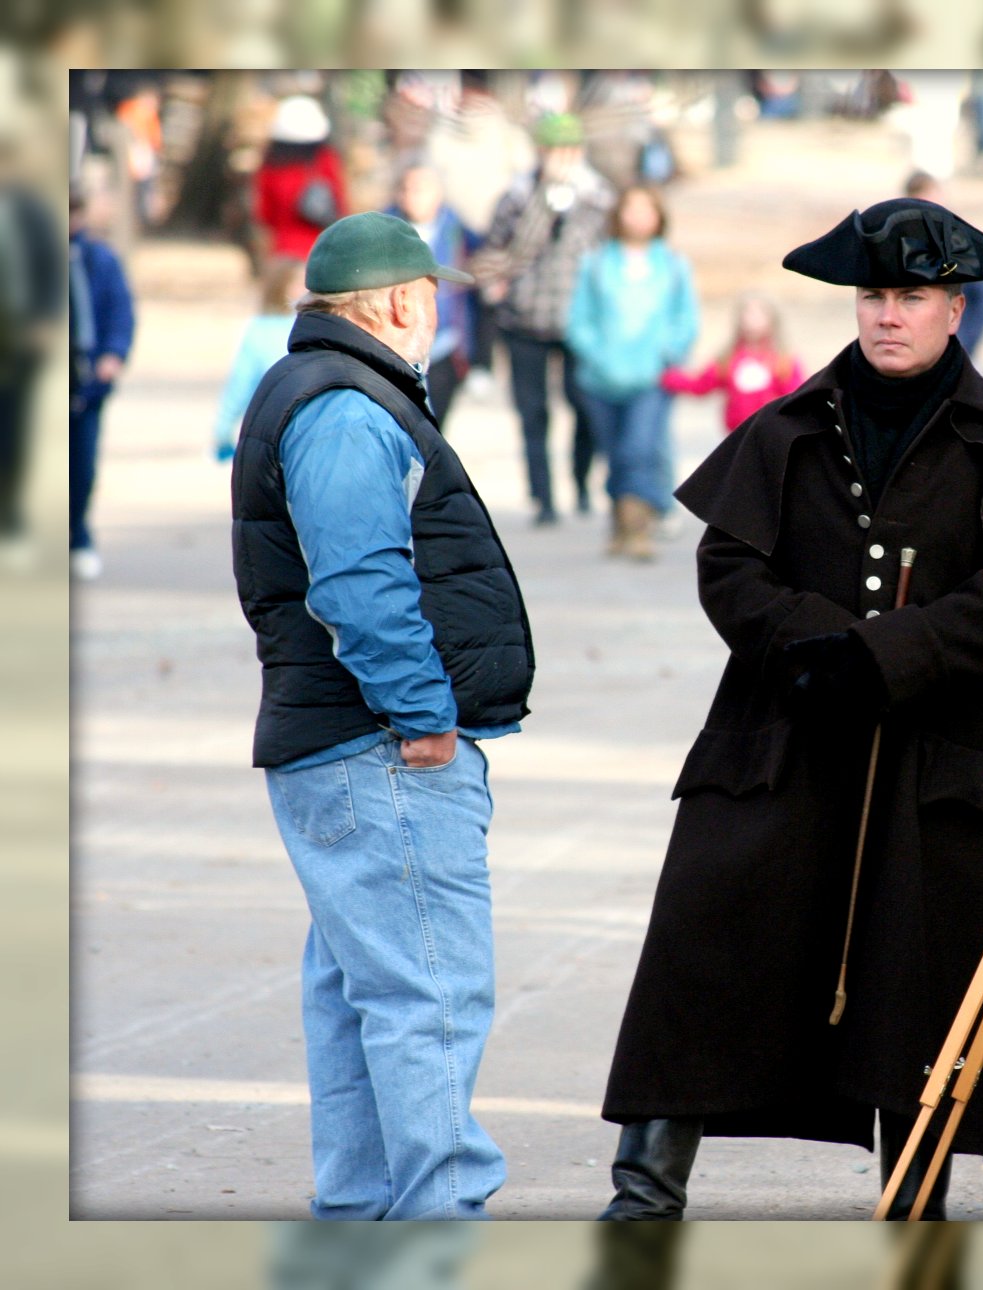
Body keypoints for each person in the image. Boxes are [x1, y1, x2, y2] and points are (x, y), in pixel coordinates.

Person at [598, 197, 983, 1220]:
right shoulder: (784, 429)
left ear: (953, 310)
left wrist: (882, 658)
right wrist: (809, 645)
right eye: (872, 295)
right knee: (702, 942)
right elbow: (727, 566)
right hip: (783, 733)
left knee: (922, 978)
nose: (886, 315)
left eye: (909, 297)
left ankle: (911, 1207)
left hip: (941, 748)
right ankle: (644, 1195)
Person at [230, 212, 535, 1220]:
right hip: (379, 752)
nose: (438, 313)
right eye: (434, 296)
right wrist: (423, 717)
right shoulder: (347, 409)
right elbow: (358, 583)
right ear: (403, 302)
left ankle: (363, 1232)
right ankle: (435, 1231)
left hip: (343, 748)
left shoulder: (324, 388)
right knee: (428, 996)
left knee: (365, 997)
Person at [472, 112, 615, 525]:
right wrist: (542, 201)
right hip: (525, 319)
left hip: (579, 321)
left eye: (569, 150)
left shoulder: (598, 197)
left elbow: (604, 253)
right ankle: (543, 498)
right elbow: (499, 253)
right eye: (553, 150)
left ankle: (581, 482)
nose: (561, 158)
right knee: (532, 412)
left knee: (584, 404)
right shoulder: (516, 196)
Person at [566, 184, 698, 561]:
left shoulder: (673, 265)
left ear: (659, 216)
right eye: (631, 208)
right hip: (601, 378)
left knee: (639, 449)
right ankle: (619, 520)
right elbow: (578, 320)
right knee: (615, 453)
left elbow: (686, 319)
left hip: (651, 378)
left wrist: (667, 352)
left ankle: (638, 527)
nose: (638, 216)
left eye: (646, 209)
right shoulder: (596, 263)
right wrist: (596, 354)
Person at [0, 129, 64, 567]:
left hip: (18, 337)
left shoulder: (31, 212)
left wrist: (45, 319)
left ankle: (11, 521)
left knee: (14, 430)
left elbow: (49, 266)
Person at [69, 182, 136, 581]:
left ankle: (77, 536)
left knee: (81, 467)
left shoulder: (98, 260)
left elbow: (120, 313)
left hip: (85, 383)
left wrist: (113, 354)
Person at [385, 159, 480, 431]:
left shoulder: (459, 232)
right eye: (406, 188)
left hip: (445, 346)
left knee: (433, 429)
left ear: (438, 193)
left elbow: (479, 289)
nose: (411, 196)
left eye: (420, 188)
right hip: (394, 345)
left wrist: (479, 358)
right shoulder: (381, 229)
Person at [661, 291, 803, 435]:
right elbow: (701, 385)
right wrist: (667, 377)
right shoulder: (728, 358)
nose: (751, 319)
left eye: (759, 314)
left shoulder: (784, 360)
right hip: (737, 435)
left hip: (772, 433)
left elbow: (796, 396)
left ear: (773, 319)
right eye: (747, 313)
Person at [211, 256, 305, 461]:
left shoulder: (315, 327)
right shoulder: (260, 330)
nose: (307, 290)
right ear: (281, 288)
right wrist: (223, 429)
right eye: (299, 283)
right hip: (274, 425)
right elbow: (241, 382)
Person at [252, 94, 348, 268]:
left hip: (284, 252)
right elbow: (340, 204)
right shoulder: (325, 159)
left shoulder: (270, 165)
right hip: (322, 249)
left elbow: (264, 214)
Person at [903, 171, 983, 358]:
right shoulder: (900, 246)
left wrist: (964, 344)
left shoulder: (961, 243)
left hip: (959, 346)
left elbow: (979, 301)